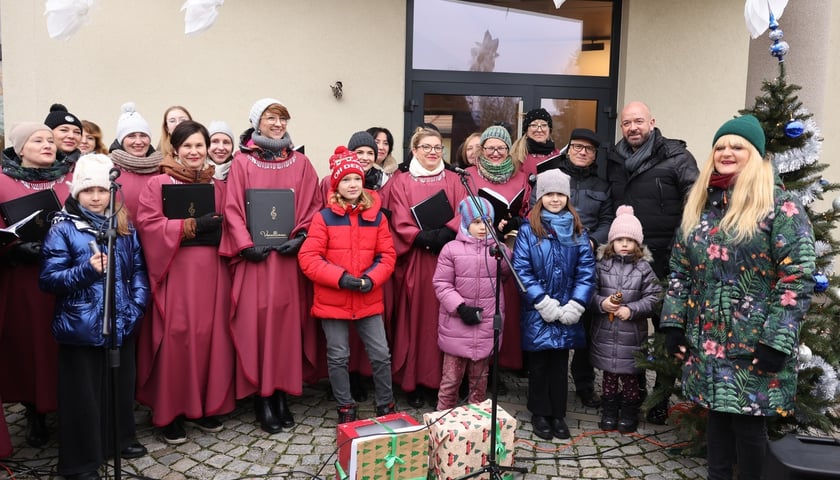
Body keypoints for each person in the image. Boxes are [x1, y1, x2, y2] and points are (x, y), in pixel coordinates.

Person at [661, 115, 815, 480]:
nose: (726, 152)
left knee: (748, 429)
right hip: (708, 342)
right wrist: (673, 325)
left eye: (737, 146)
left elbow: (797, 276)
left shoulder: (781, 206)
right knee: (716, 418)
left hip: (753, 344)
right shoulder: (701, 205)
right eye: (720, 146)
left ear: (756, 154)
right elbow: (681, 270)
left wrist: (777, 341)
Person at [39, 154, 150, 479]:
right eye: (89, 191)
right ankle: (81, 462)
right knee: (83, 398)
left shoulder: (123, 226)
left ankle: (118, 440)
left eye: (103, 190)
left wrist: (137, 305)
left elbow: (140, 270)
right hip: (82, 326)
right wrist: (86, 271)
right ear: (77, 193)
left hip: (122, 321)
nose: (97, 197)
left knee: (118, 386)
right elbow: (48, 280)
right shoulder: (65, 230)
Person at [220, 98, 322, 434]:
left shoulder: (302, 163)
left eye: (282, 118)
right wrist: (245, 245)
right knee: (258, 326)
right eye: (270, 118)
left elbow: (313, 206)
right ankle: (263, 397)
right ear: (256, 122)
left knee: (286, 328)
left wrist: (303, 235)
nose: (277, 124)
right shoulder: (242, 163)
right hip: (257, 262)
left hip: (288, 263)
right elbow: (232, 207)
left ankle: (282, 394)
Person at [135, 121, 234, 444]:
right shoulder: (158, 183)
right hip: (175, 272)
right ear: (175, 149)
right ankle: (170, 412)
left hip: (212, 273)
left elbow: (232, 222)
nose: (194, 152)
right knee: (176, 337)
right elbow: (148, 225)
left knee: (210, 337)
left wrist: (224, 229)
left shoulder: (218, 186)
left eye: (199, 146)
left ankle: (206, 406)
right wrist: (191, 225)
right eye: (187, 146)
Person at [606, 100, 699, 423]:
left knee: (664, 329)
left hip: (666, 260)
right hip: (625, 264)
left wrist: (680, 249)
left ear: (652, 122)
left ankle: (661, 395)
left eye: (638, 121)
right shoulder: (614, 159)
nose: (632, 128)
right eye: (627, 123)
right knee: (624, 326)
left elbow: (695, 203)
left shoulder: (677, 158)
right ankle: (627, 390)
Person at [298, 147, 396, 423]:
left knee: (380, 354)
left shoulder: (377, 217)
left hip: (368, 297)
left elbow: (387, 256)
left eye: (356, 179)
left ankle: (385, 403)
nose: (352, 184)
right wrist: (340, 278)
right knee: (338, 355)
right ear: (336, 185)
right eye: (345, 180)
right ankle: (345, 405)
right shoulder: (324, 218)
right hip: (333, 299)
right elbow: (308, 258)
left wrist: (372, 279)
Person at [0, 123, 72, 448]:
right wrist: (13, 250)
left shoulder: (70, 178)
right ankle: (35, 411)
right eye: (38, 140)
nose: (48, 144)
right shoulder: (2, 182)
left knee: (63, 346)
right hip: (26, 281)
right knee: (31, 347)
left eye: (50, 140)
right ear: (19, 148)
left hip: (68, 279)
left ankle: (69, 408)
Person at [383, 126, 464, 408]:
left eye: (437, 147)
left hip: (449, 258)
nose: (432, 152)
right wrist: (420, 237)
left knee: (446, 321)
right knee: (417, 321)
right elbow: (398, 218)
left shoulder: (455, 179)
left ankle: (443, 382)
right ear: (414, 151)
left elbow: (466, 210)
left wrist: (447, 231)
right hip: (417, 259)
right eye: (426, 147)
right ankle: (414, 381)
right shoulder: (401, 181)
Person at [512, 169, 595, 440]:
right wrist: (541, 301)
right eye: (550, 194)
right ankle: (539, 412)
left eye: (560, 194)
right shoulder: (528, 230)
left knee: (559, 365)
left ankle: (558, 413)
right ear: (540, 197)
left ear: (568, 198)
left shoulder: (577, 230)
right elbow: (522, 270)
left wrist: (576, 304)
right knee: (538, 365)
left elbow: (586, 270)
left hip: (567, 309)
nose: (555, 199)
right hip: (539, 310)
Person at [465, 125, 531, 387]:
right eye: (489, 147)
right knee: (481, 308)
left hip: (511, 249)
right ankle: (476, 367)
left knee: (507, 310)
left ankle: (499, 367)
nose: (495, 152)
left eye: (501, 148)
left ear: (508, 150)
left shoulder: (521, 177)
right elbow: (461, 211)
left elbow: (527, 210)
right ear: (481, 149)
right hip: (478, 250)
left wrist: (516, 221)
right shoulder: (468, 176)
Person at [555, 127, 614, 409]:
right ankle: (550, 383)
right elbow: (536, 211)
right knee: (552, 317)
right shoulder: (553, 178)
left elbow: (608, 221)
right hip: (554, 258)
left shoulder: (602, 186)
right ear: (568, 149)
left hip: (588, 261)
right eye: (577, 146)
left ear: (594, 156)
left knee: (586, 323)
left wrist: (593, 241)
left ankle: (584, 383)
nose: (582, 152)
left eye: (588, 149)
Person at [590, 206, 661, 433]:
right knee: (609, 378)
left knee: (630, 378)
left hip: (632, 336)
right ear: (611, 242)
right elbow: (589, 292)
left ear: (637, 244)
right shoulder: (602, 266)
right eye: (619, 239)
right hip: (606, 333)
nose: (623, 244)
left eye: (629, 240)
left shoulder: (643, 269)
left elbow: (654, 296)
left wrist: (632, 309)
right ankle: (609, 411)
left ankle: (629, 412)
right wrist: (602, 303)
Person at [432, 197, 509, 410]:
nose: (483, 227)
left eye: (487, 222)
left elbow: (506, 275)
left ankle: (476, 429)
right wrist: (460, 307)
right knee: (450, 381)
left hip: (485, 325)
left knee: (480, 383)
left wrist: (504, 254)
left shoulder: (497, 249)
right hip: (458, 325)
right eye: (476, 222)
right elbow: (441, 284)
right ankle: (443, 423)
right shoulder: (451, 249)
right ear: (465, 223)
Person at [108, 102, 164, 220]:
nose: (138, 142)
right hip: (120, 235)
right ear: (121, 141)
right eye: (131, 136)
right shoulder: (108, 168)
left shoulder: (162, 168)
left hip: (153, 235)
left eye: (143, 135)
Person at [511, 108, 560, 182]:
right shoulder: (516, 157)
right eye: (534, 125)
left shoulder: (557, 155)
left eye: (544, 125)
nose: (539, 130)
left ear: (549, 130)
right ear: (526, 130)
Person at [44, 103, 83, 168]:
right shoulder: (32, 163)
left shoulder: (88, 165)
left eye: (77, 132)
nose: (71, 136)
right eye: (64, 130)